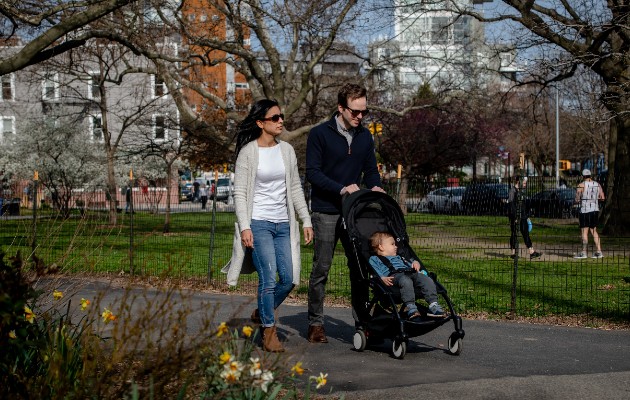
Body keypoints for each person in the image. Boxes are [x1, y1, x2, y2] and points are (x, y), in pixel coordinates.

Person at [225, 99, 313, 352]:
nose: (281, 121)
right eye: (275, 118)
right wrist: (245, 227)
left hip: (284, 224)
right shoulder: (248, 153)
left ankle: (262, 310)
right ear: (260, 123)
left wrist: (305, 219)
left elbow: (295, 187)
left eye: (281, 116)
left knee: (288, 279)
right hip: (259, 223)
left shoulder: (286, 150)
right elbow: (240, 193)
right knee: (268, 279)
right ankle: (268, 331)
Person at [305, 83, 385, 343]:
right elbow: (313, 174)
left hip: (354, 213)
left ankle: (363, 323)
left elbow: (371, 169)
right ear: (341, 108)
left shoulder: (365, 137)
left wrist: (375, 186)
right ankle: (316, 324)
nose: (360, 117)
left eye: (364, 111)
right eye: (355, 112)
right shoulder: (320, 134)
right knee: (322, 268)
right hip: (326, 211)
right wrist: (340, 189)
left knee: (361, 268)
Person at [368, 231, 445, 318]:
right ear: (381, 247)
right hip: (394, 276)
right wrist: (381, 278)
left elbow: (410, 263)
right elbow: (374, 270)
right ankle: (411, 307)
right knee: (405, 280)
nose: (396, 246)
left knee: (426, 278)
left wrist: (416, 263)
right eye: (392, 244)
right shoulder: (374, 259)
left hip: (409, 273)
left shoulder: (399, 257)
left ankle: (433, 305)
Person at [507, 176, 541, 260]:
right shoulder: (512, 191)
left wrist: (527, 216)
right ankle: (513, 253)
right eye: (524, 182)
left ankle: (532, 252)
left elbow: (523, 206)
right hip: (515, 217)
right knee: (514, 234)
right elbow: (511, 205)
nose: (525, 184)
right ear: (519, 181)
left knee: (526, 233)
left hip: (523, 216)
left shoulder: (521, 192)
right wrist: (514, 217)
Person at [574, 169, 605, 259]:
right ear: (590, 175)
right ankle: (599, 252)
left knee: (584, 232)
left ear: (583, 176)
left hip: (585, 210)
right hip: (595, 210)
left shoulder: (581, 185)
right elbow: (602, 198)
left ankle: (584, 253)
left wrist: (577, 199)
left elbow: (577, 199)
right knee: (594, 231)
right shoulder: (597, 184)